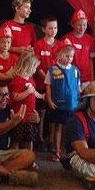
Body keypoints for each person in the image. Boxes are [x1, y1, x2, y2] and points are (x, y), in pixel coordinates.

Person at [45, 45, 81, 161]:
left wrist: (79, 100)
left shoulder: (75, 70)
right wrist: (49, 100)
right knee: (58, 127)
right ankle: (57, 151)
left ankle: (67, 151)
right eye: (67, 56)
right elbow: (48, 86)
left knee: (69, 128)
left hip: (71, 105)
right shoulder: (52, 70)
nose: (69, 58)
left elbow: (78, 87)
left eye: (71, 56)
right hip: (58, 105)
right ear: (59, 56)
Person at [33, 16, 62, 146]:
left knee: (53, 114)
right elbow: (36, 66)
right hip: (41, 84)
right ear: (43, 29)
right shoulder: (38, 44)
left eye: (55, 28)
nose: (53, 31)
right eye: (50, 28)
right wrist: (47, 79)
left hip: (56, 86)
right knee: (41, 113)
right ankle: (39, 138)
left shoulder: (60, 45)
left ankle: (51, 140)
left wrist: (53, 81)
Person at [9, 52, 44, 150]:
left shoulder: (30, 78)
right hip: (19, 116)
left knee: (29, 139)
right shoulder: (17, 80)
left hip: (29, 115)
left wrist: (41, 96)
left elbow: (33, 91)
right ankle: (13, 157)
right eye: (34, 67)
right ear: (27, 66)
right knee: (16, 140)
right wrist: (27, 92)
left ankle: (30, 157)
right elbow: (15, 97)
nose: (35, 70)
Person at [61, 9, 95, 89]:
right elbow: (63, 61)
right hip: (72, 78)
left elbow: (91, 60)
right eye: (79, 25)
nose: (82, 27)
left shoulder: (90, 39)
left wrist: (92, 78)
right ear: (73, 24)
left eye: (84, 25)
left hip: (87, 79)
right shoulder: (66, 39)